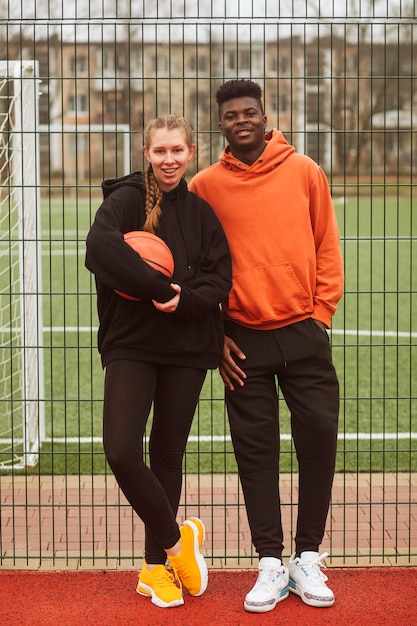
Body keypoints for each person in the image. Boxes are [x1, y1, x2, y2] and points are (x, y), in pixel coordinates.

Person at [189, 80, 344, 614]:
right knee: (256, 452)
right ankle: (271, 563)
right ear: (221, 124)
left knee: (319, 438)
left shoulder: (304, 171)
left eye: (250, 112)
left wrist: (321, 315)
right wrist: (215, 335)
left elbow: (327, 243)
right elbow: (197, 266)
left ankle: (307, 556)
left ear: (264, 115)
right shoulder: (205, 185)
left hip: (304, 329)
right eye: (231, 115)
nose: (242, 121)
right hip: (242, 339)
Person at [85, 115, 232, 609]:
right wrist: (157, 288)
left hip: (188, 346)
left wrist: (184, 300)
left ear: (192, 152)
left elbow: (219, 280)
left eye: (178, 150)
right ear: (146, 153)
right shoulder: (126, 198)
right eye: (159, 151)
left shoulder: (201, 214)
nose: (169, 159)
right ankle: (177, 543)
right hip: (131, 342)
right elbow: (99, 248)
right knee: (123, 451)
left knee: (168, 454)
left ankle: (155, 568)